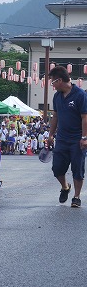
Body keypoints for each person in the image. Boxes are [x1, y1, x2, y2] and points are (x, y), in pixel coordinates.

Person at [47, 65, 87, 208]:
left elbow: (85, 117)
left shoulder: (80, 95)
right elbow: (55, 116)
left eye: (52, 81)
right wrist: (51, 134)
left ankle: (76, 197)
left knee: (78, 169)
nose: (52, 85)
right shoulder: (57, 96)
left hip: (77, 139)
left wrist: (84, 137)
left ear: (60, 80)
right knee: (57, 169)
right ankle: (65, 187)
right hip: (62, 139)